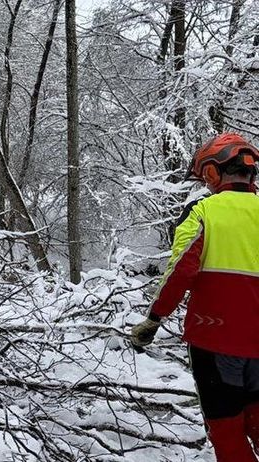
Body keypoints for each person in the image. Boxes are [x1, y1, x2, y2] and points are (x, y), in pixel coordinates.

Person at [131, 133, 259, 461]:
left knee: (228, 434)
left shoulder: (203, 211)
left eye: (206, 176)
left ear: (214, 174)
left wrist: (154, 318)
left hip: (216, 342)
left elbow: (180, 271)